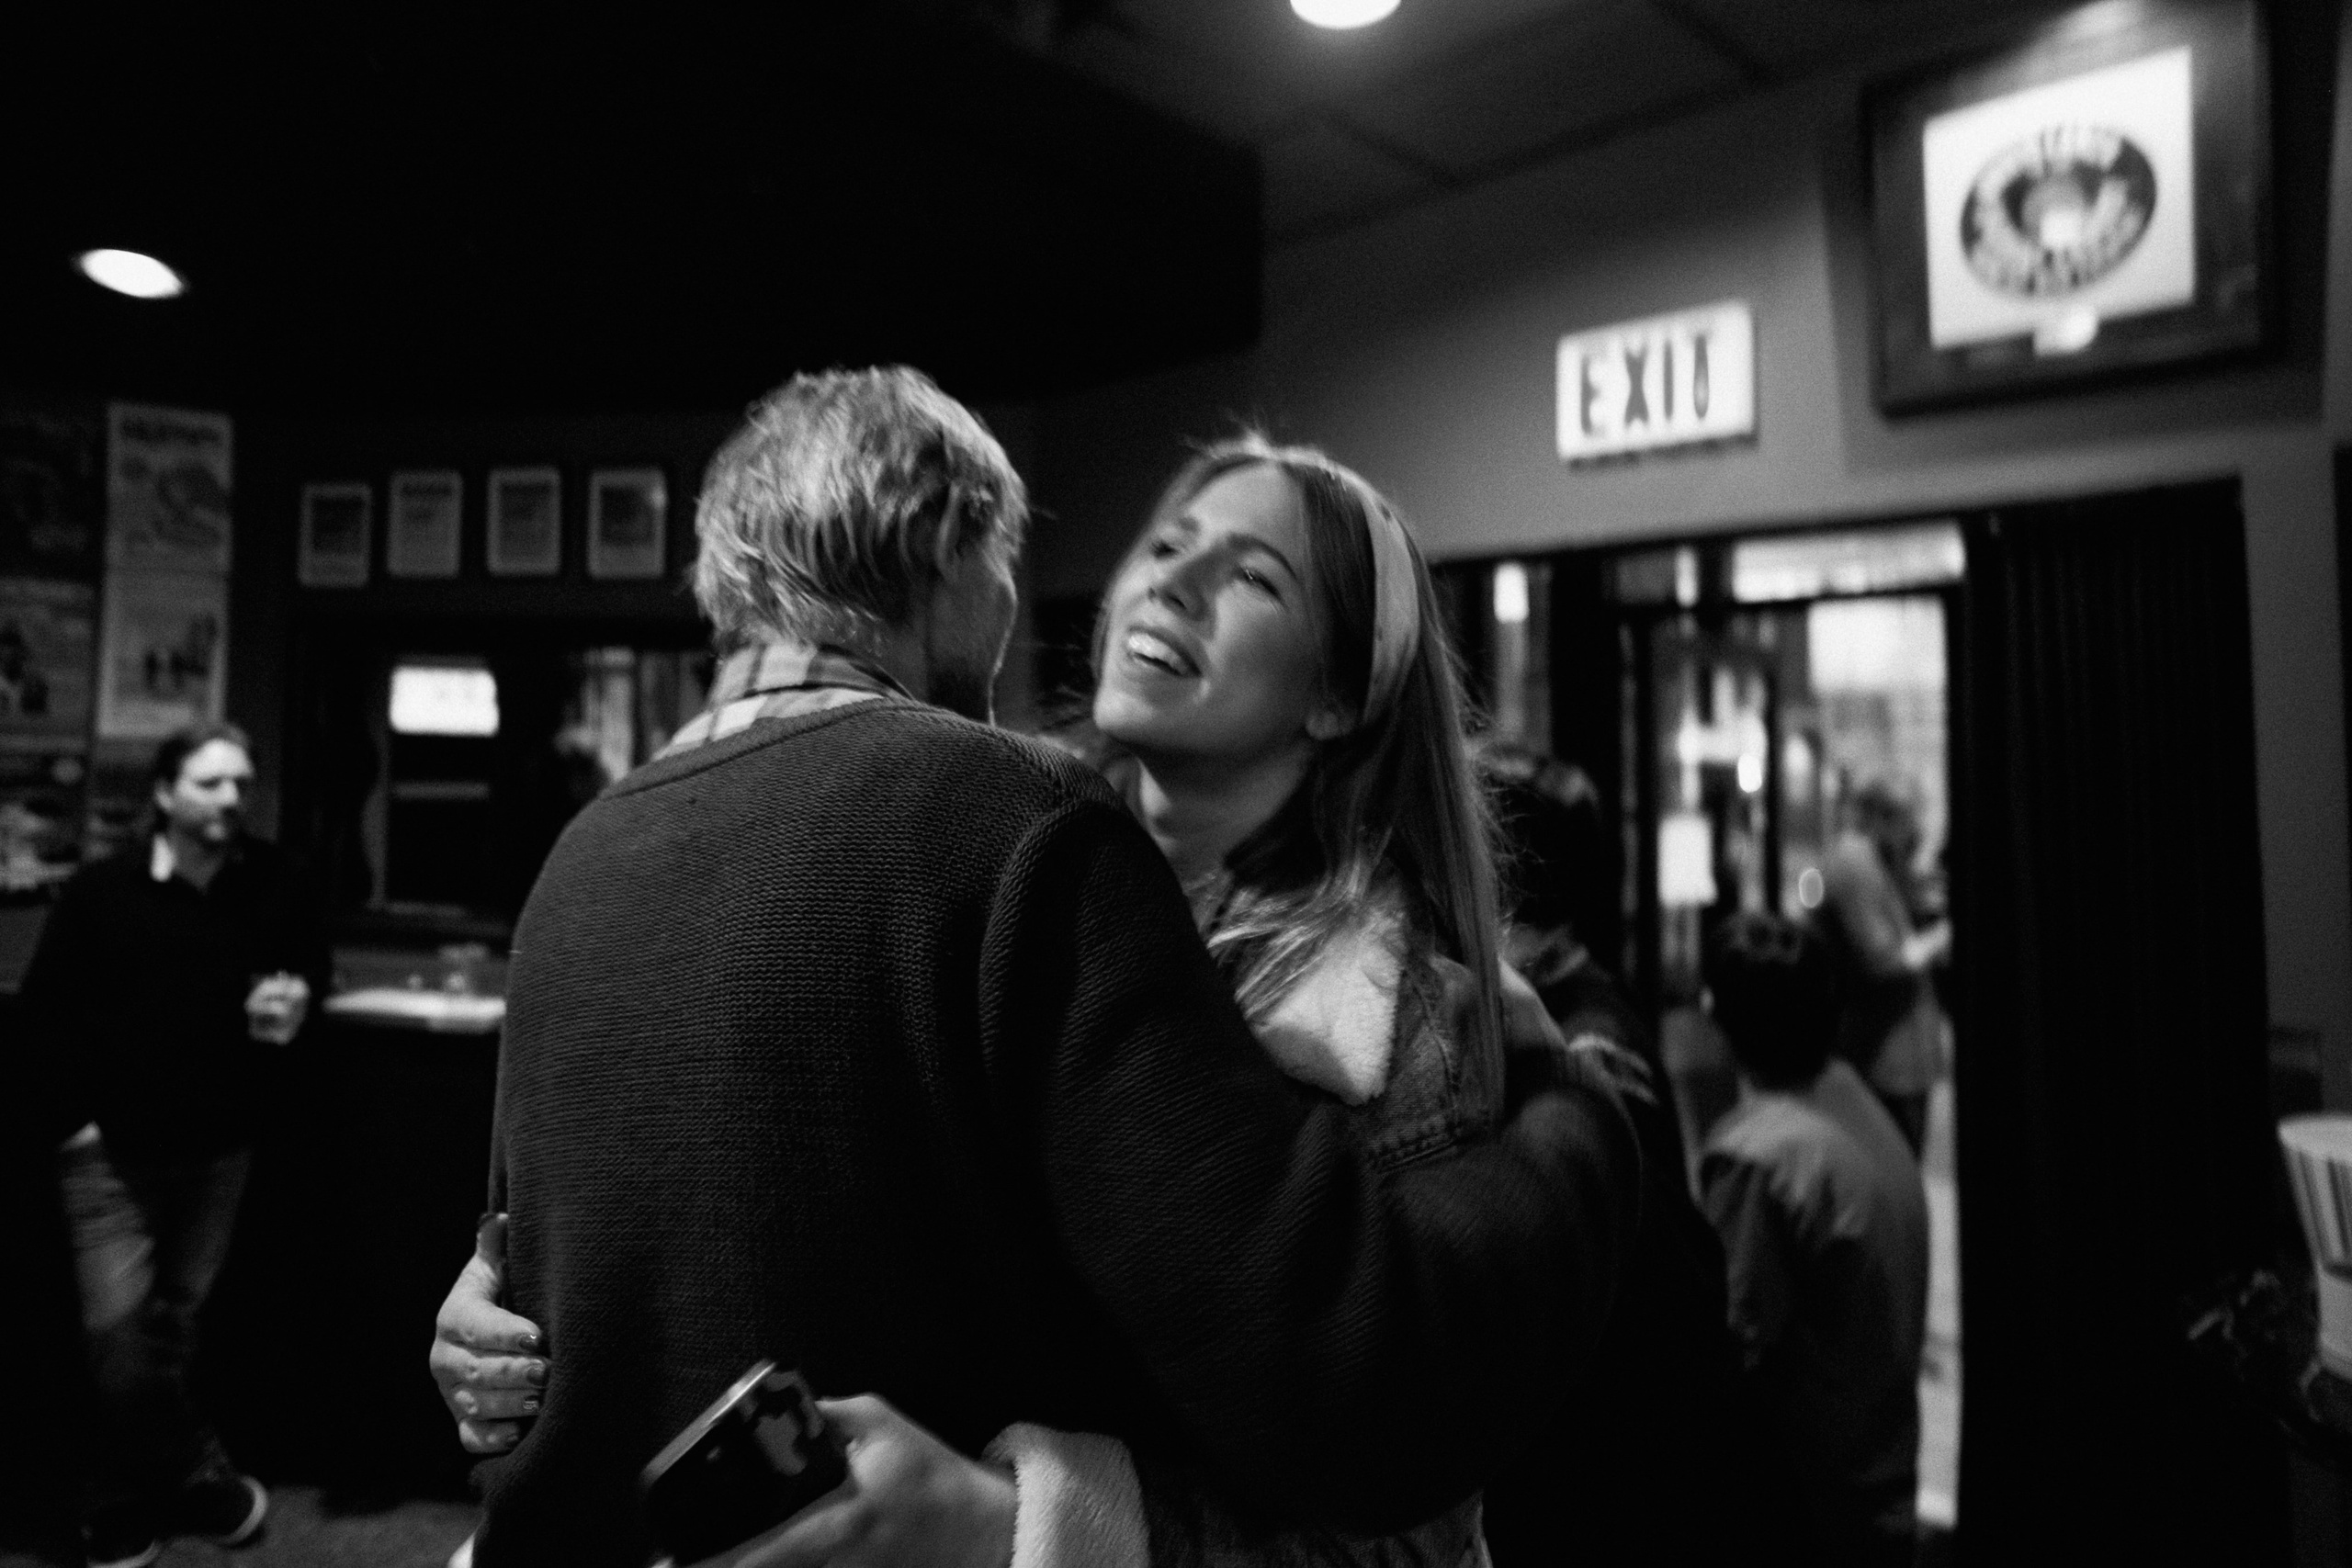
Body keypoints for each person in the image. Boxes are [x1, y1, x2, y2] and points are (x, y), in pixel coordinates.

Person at [430, 373, 1640, 1567]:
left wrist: (1030, 1525)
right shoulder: (1016, 839)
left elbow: (1403, 1498)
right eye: (1165, 541)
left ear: (1339, 692)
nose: (1171, 576)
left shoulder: (1382, 1006)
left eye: (1256, 574)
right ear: (955, 561)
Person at [19, 721, 326, 1568]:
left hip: (219, 1149)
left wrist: (296, 1008)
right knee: (117, 1341)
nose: (231, 798)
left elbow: (311, 972)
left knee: (174, 1329)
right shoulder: (101, 892)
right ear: (164, 794)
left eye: (240, 782)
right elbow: (43, 1021)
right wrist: (73, 1125)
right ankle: (194, 1474)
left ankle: (128, 1501)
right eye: (210, 783)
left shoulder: (275, 882)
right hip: (108, 1157)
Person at [1698, 912, 1929, 1568]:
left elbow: (1726, 1353)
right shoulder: (1853, 1095)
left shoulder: (1757, 1156)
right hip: (1885, 1476)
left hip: (1815, 1509)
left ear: (1723, 1018)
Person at [1813, 776, 1950, 1155]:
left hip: (1894, 1053)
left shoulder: (1868, 858)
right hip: (1887, 1056)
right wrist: (1941, 938)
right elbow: (1884, 959)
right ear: (1885, 818)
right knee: (1895, 1166)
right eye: (1909, 818)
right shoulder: (1855, 862)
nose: (1914, 829)